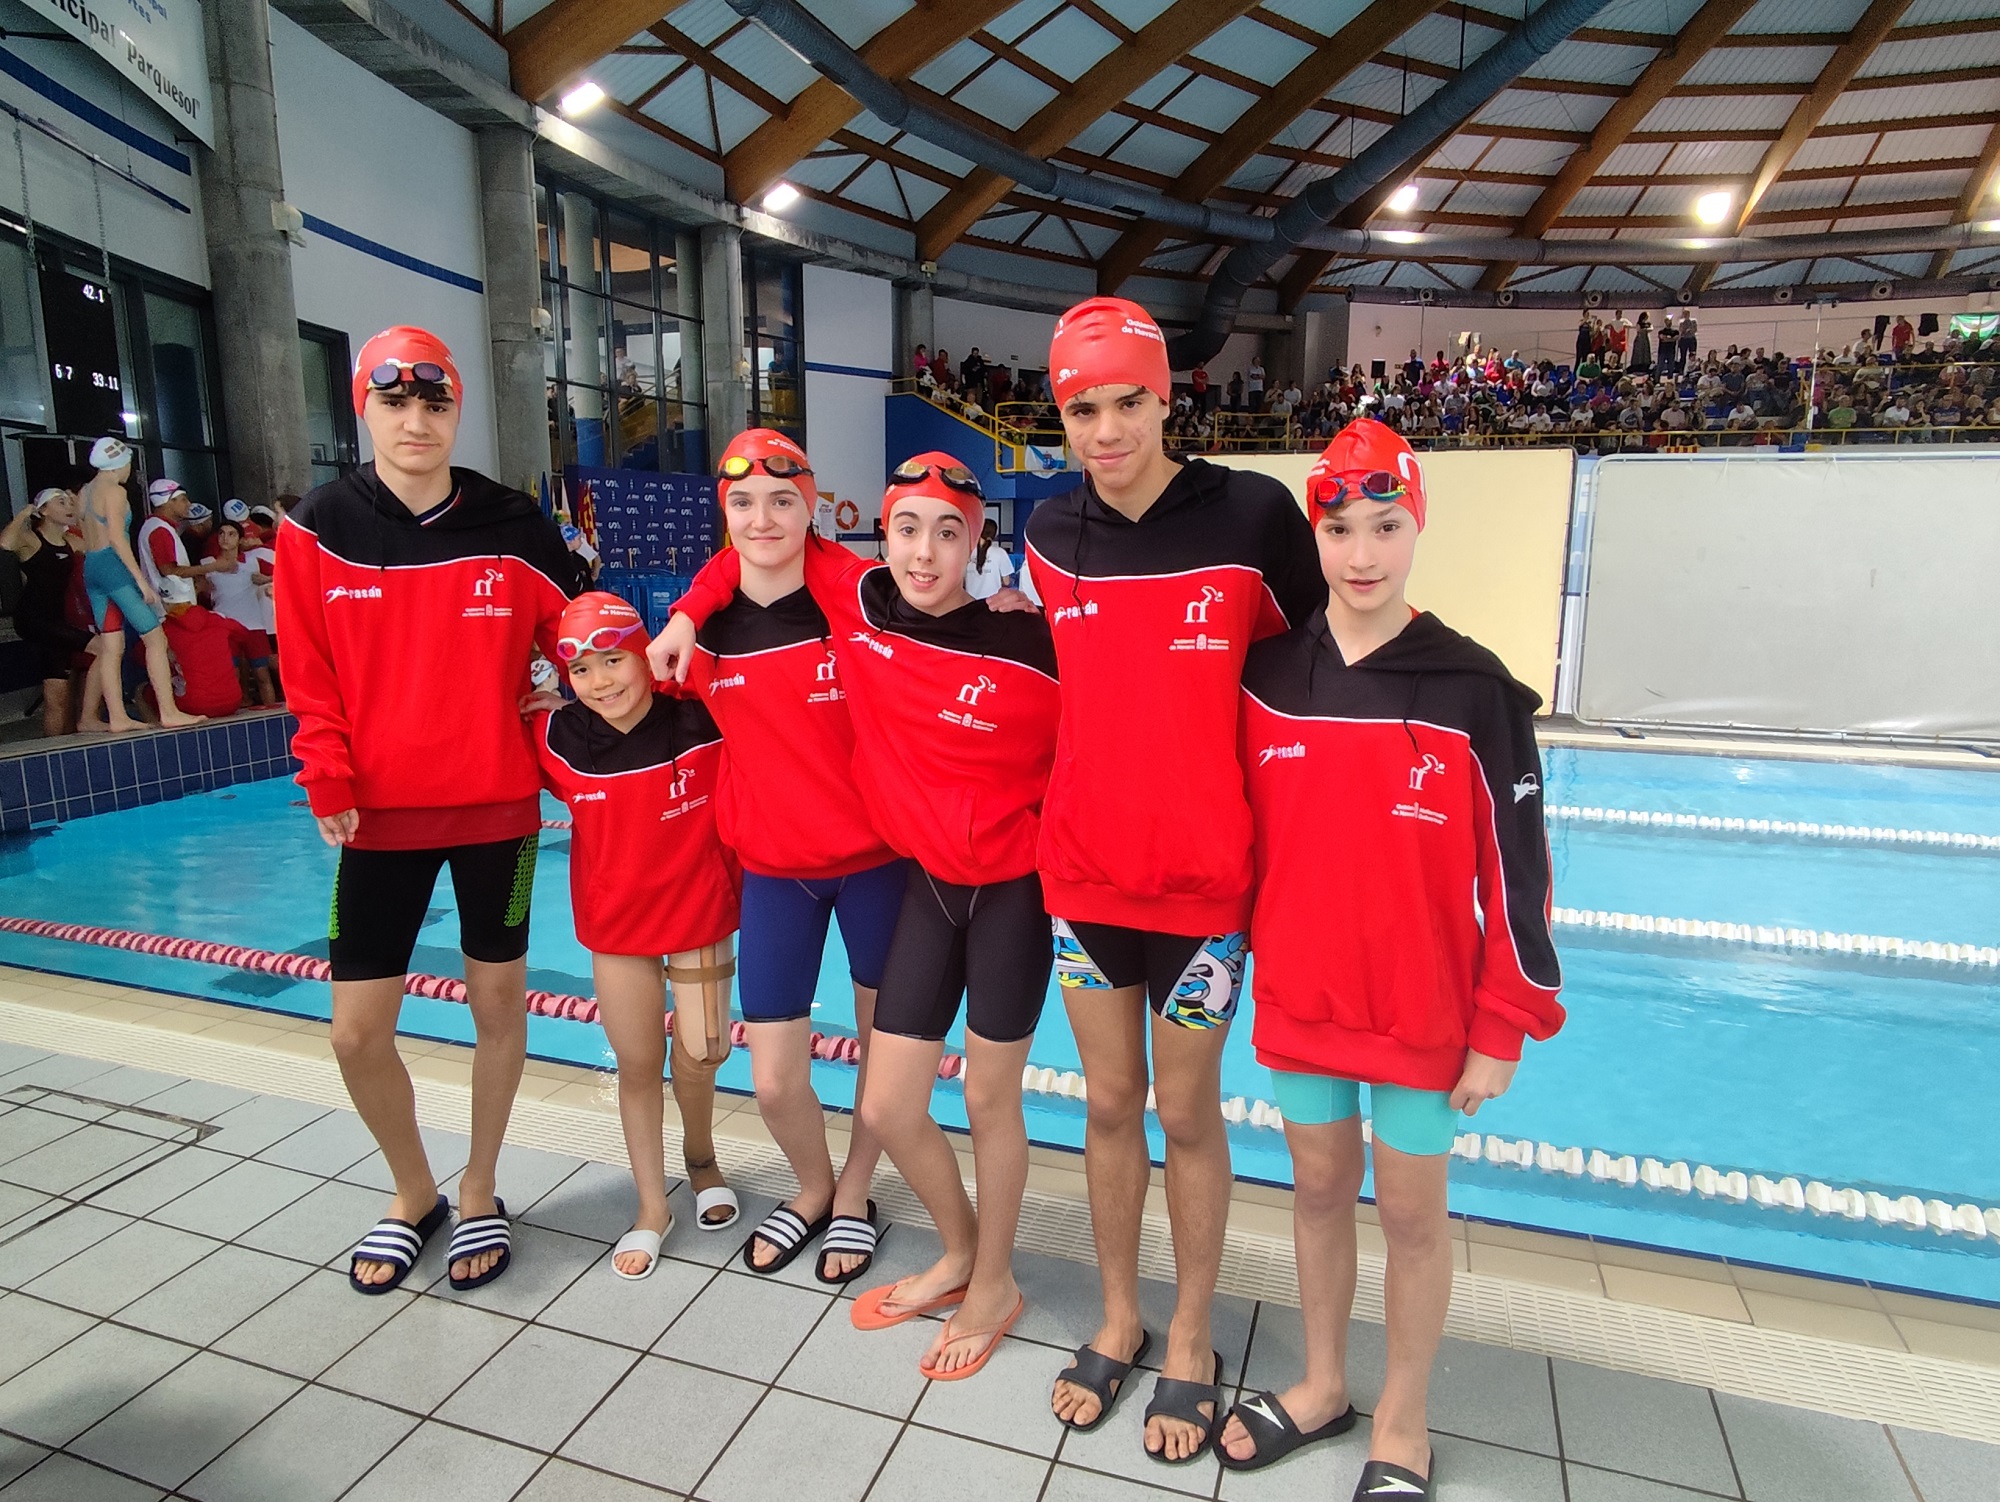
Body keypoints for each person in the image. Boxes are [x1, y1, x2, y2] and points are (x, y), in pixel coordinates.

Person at [1219, 420, 1563, 1500]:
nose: (1360, 552)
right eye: (1337, 527)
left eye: (1385, 525)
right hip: (1300, 997)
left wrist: (1503, 1022)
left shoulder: (1471, 688)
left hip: (1420, 1010)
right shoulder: (1266, 674)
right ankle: (1322, 1382)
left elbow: (1521, 873)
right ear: (1312, 533)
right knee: (1316, 1189)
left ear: (1416, 526)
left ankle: (1401, 1420)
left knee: (1411, 1212)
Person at [661, 453, 1058, 1380]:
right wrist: (684, 610)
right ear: (880, 540)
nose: (924, 553)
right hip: (926, 882)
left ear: (979, 544)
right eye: (907, 529)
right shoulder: (865, 608)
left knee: (992, 1099)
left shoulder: (1030, 640)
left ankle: (995, 1281)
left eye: (948, 532)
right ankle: (960, 1252)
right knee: (886, 1100)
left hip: (1013, 891)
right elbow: (754, 546)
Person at [1026, 298, 1325, 1461]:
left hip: (1206, 890)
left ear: (1167, 398)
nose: (1105, 430)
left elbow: (1322, 663)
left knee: (1185, 1108)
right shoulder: (1051, 531)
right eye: (1080, 408)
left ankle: (1190, 1335)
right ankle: (1117, 1313)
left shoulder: (1251, 514)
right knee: (1106, 1103)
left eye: (1126, 402)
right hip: (1084, 880)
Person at [278, 326, 576, 1295]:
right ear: (364, 406)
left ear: (456, 410)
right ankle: (415, 1191)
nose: (415, 421)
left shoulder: (514, 522)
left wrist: (567, 687)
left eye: (434, 403)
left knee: (497, 1004)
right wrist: (326, 769)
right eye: (394, 402)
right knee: (355, 1030)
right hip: (377, 816)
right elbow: (306, 667)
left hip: (497, 805)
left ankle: (481, 1184)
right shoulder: (318, 525)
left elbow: (582, 629)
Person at [644, 428, 898, 1287]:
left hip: (876, 864)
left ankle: (857, 1194)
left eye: (782, 501)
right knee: (778, 1077)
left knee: (882, 1062)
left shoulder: (858, 602)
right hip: (776, 873)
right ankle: (813, 1185)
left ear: (810, 504)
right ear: (725, 512)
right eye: (743, 504)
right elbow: (625, 709)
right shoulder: (701, 636)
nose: (763, 519)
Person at [526, 592, 741, 1277]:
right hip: (617, 925)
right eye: (582, 670)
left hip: (698, 910)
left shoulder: (702, 718)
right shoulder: (558, 737)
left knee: (705, 1051)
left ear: (643, 654)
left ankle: (701, 1159)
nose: (602, 683)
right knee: (639, 1061)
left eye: (614, 660)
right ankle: (652, 1205)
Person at [77, 438, 204, 732]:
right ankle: (169, 711)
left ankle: (118, 717)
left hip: (91, 568)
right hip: (113, 567)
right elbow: (118, 539)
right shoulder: (116, 492)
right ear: (119, 463)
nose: (129, 472)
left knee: (111, 646)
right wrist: (140, 581)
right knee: (155, 639)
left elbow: (88, 536)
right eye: (129, 465)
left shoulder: (84, 492)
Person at [3, 487, 98, 737]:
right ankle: (89, 718)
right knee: (104, 647)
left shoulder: (70, 542)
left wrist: (81, 511)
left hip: (56, 622)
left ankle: (56, 748)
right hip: (33, 619)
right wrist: (24, 513)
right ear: (43, 510)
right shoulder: (32, 540)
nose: (67, 506)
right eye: (61, 502)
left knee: (57, 698)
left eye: (68, 502)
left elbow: (97, 545)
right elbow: (5, 542)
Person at [154, 576, 257, 719]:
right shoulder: (217, 619)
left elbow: (141, 657)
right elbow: (245, 635)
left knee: (144, 692)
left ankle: (163, 733)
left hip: (193, 705)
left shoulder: (163, 630)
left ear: (164, 603)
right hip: (232, 702)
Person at [205, 520, 279, 707]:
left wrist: (266, 580)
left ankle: (270, 711)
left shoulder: (253, 561)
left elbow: (279, 573)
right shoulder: (207, 564)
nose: (225, 538)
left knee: (262, 674)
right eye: (221, 533)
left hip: (254, 624)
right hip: (224, 626)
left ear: (239, 539)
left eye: (231, 534)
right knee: (232, 674)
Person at [964, 517, 1013, 599]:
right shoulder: (1000, 553)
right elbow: (1007, 582)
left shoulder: (967, 552)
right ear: (995, 534)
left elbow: (962, 581)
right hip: (993, 604)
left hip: (970, 604)